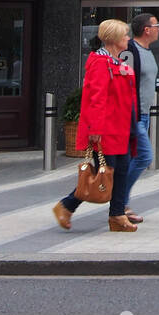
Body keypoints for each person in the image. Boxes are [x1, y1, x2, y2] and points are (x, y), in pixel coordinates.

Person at [52, 19, 138, 232]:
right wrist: (96, 130)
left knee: (120, 171)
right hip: (107, 130)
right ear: (114, 40)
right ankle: (67, 205)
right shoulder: (100, 63)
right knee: (105, 172)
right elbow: (96, 98)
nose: (128, 38)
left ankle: (116, 216)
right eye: (125, 35)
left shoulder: (115, 62)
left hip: (120, 128)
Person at [119, 12, 159, 223]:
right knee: (144, 156)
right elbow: (124, 83)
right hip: (133, 115)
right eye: (156, 25)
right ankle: (119, 202)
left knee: (131, 160)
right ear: (146, 29)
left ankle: (120, 204)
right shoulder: (131, 51)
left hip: (142, 115)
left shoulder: (147, 51)